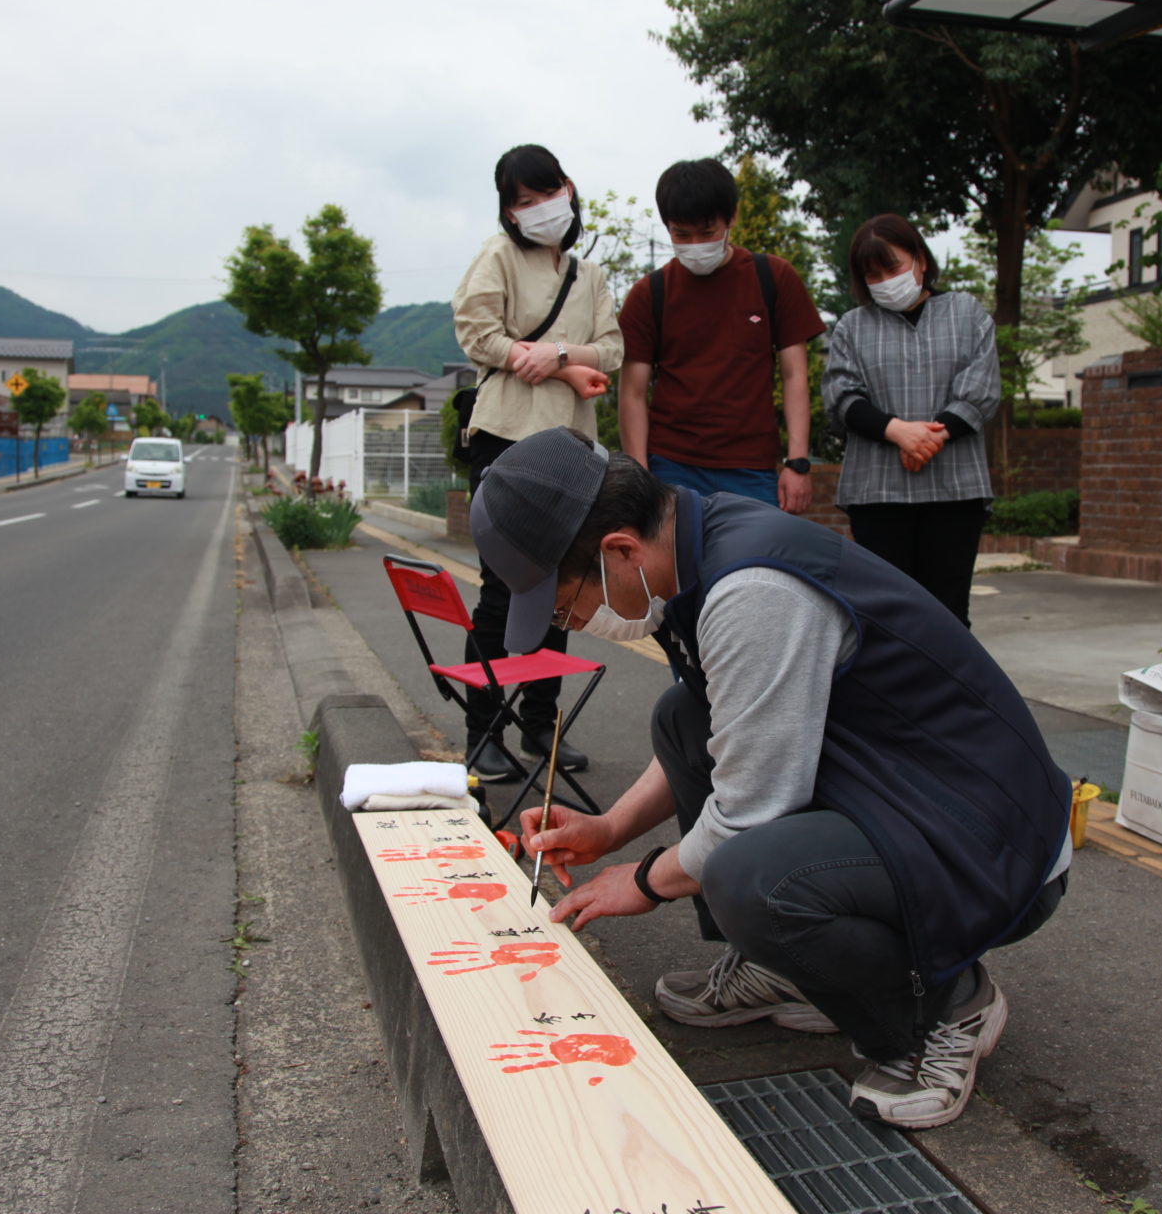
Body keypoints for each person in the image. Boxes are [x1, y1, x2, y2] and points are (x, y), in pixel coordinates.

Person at [469, 427, 1072, 1130]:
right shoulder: (692, 546)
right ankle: (787, 968)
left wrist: (639, 879)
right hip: (899, 793)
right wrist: (609, 830)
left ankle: (943, 1005)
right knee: (681, 717)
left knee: (750, 881)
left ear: (620, 550)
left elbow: (750, 812)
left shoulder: (752, 590)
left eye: (565, 603)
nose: (570, 622)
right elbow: (731, 736)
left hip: (986, 840)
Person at [451, 144, 622, 783]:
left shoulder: (591, 277)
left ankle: (542, 731)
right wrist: (534, 356)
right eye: (519, 202)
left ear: (567, 189)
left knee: (563, 590)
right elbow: (474, 331)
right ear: (508, 212)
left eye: (541, 195)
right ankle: (484, 731)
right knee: (503, 589)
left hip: (573, 451)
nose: (533, 210)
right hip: (506, 438)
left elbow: (612, 348)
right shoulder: (499, 257)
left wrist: (554, 355)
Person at [617, 158, 825, 514]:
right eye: (681, 235)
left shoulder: (773, 278)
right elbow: (632, 392)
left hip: (752, 468)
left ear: (732, 217)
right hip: (671, 466)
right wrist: (640, 475)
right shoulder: (649, 293)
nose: (695, 244)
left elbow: (794, 375)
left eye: (707, 231)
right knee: (677, 569)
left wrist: (798, 461)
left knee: (753, 566)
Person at [821, 214, 1001, 626]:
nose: (886, 279)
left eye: (894, 267)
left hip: (956, 490)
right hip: (878, 492)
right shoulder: (852, 327)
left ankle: (951, 691)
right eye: (874, 274)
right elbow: (841, 395)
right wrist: (898, 431)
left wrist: (930, 437)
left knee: (950, 612)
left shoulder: (966, 312)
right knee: (886, 612)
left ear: (920, 259)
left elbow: (982, 386)